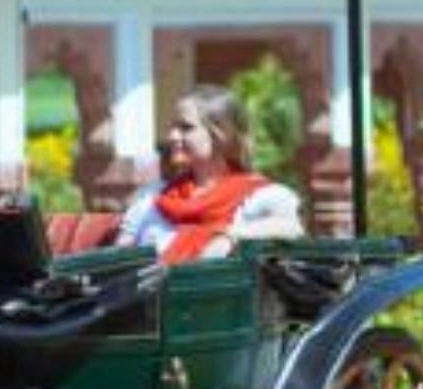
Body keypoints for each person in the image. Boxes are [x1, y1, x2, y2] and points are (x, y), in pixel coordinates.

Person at [117, 86, 304, 263]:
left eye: (186, 128)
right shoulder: (152, 199)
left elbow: (292, 228)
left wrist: (229, 236)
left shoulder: (262, 196)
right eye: (172, 127)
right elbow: (116, 262)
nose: (172, 136)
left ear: (221, 134)